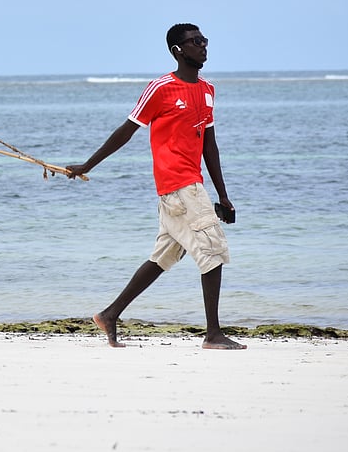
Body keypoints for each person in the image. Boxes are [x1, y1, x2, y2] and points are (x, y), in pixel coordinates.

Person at [66, 24, 245, 350]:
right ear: (178, 50)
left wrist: (223, 194)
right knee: (214, 252)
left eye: (204, 40)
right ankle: (213, 334)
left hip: (189, 186)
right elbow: (126, 131)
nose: (203, 46)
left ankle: (110, 314)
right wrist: (87, 166)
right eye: (195, 41)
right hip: (179, 186)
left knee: (162, 258)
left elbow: (209, 145)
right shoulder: (160, 88)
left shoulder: (207, 90)